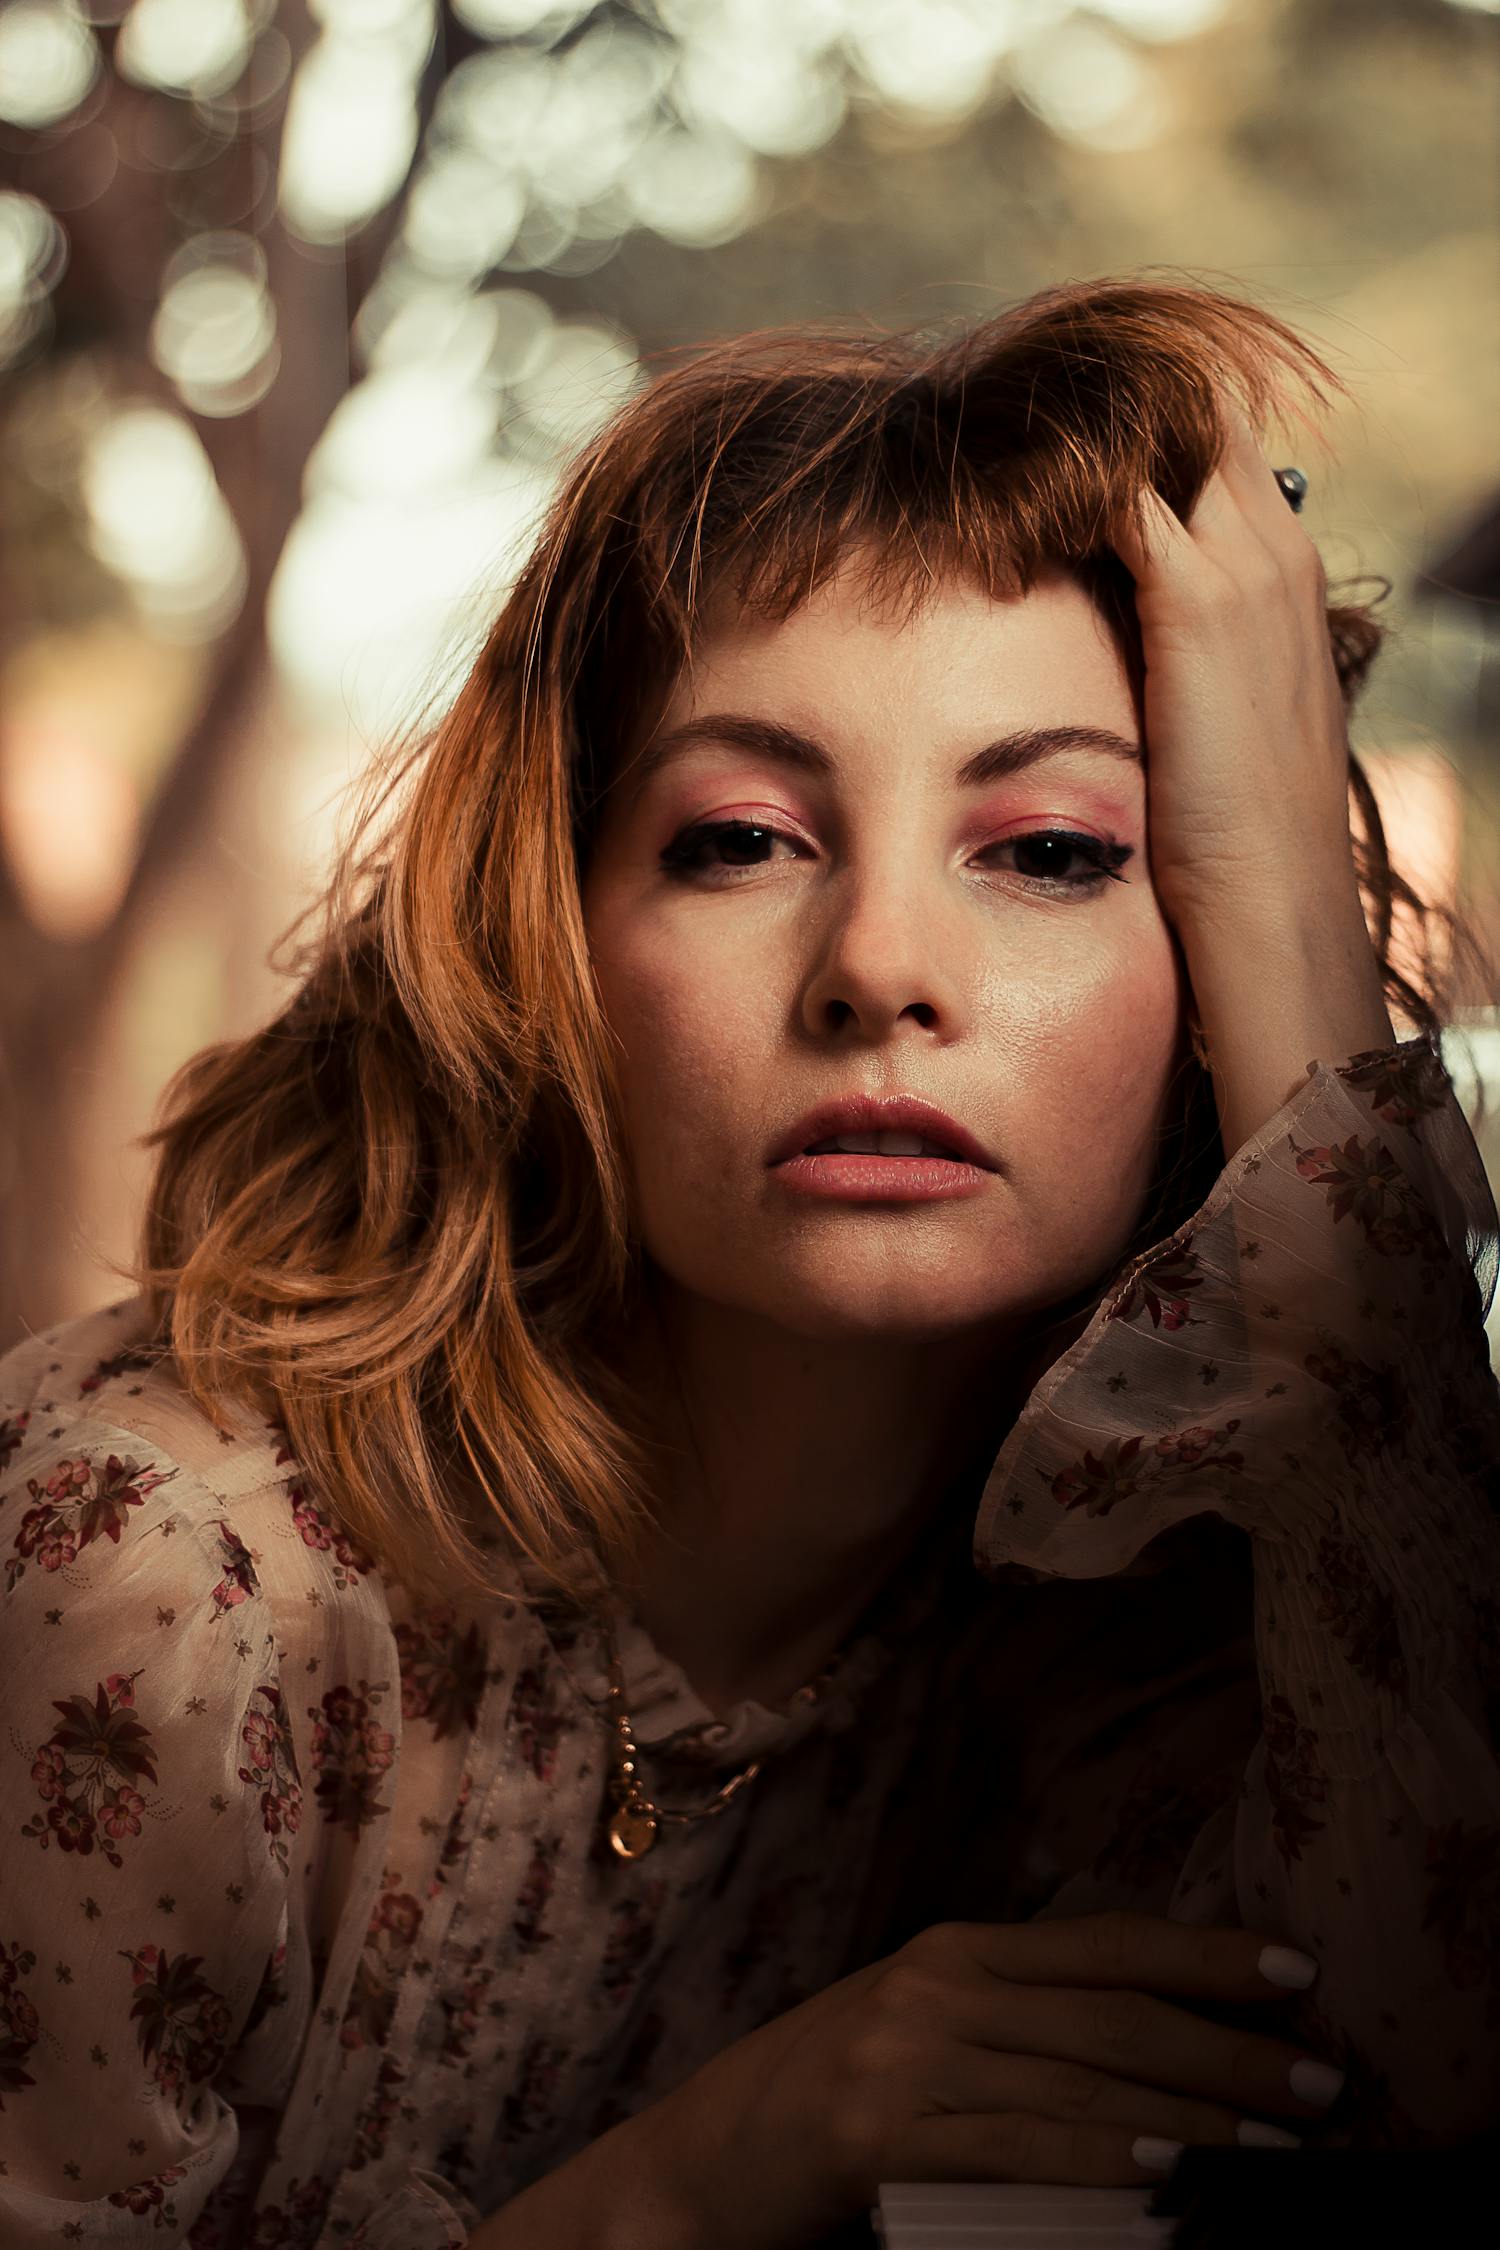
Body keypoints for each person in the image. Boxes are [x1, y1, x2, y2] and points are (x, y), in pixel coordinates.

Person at [1, 276, 1497, 2250]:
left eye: (1054, 850)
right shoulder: (151, 1580)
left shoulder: (1139, 1614)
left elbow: (1434, 2063)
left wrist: (1300, 927)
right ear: (549, 937)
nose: (880, 966)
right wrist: (704, 2175)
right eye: (740, 839)